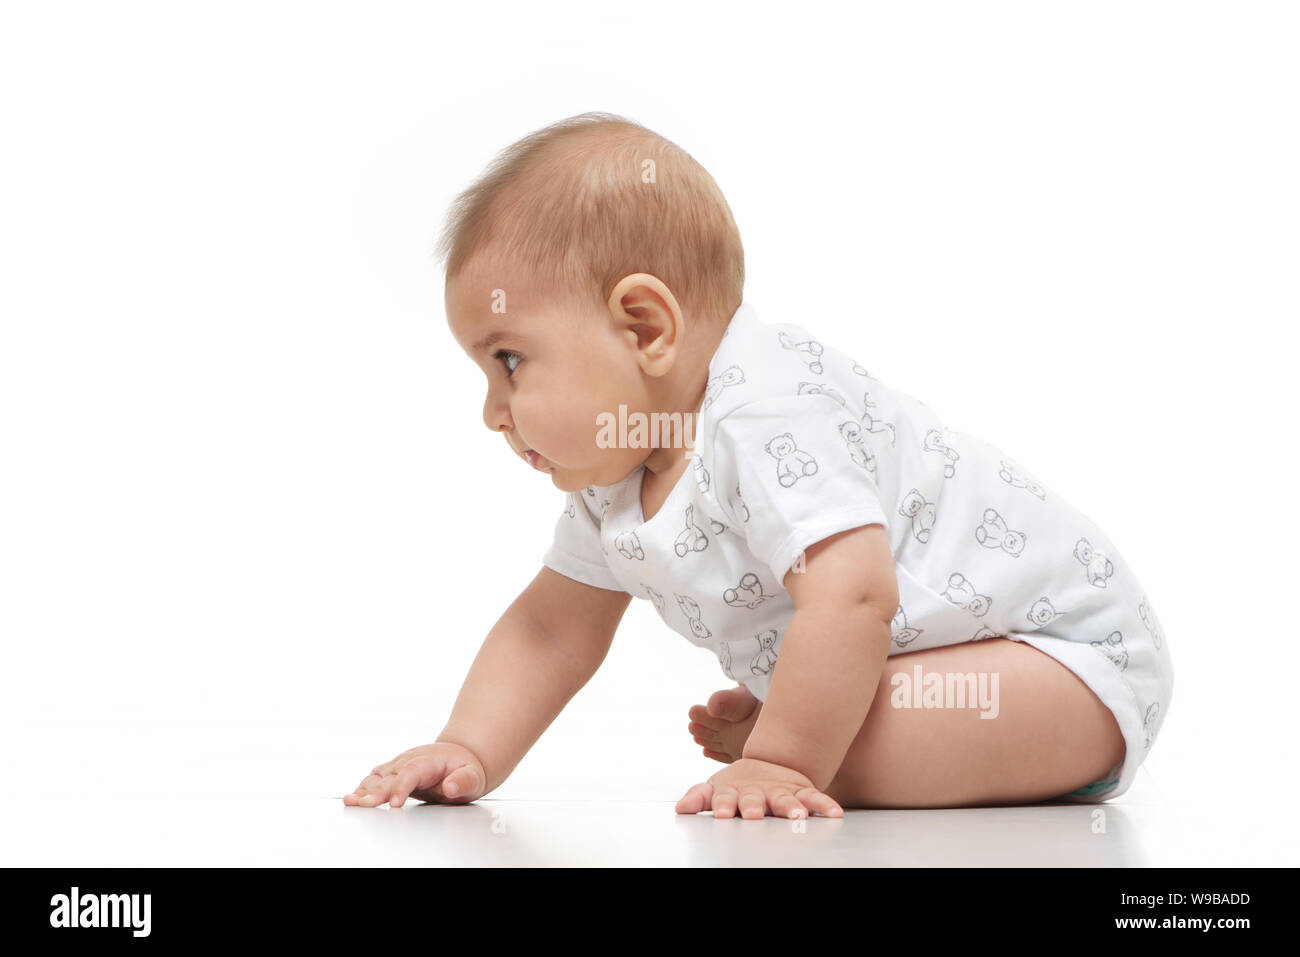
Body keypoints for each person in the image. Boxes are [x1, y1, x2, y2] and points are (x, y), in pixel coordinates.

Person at [343, 112, 1172, 819]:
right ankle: (810, 722)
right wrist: (466, 747)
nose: (493, 411)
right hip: (964, 670)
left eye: (510, 361)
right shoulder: (616, 484)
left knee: (848, 750)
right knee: (840, 725)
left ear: (642, 327)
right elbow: (551, 630)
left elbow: (854, 595)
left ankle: (797, 734)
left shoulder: (769, 414)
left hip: (1066, 663)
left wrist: (783, 758)